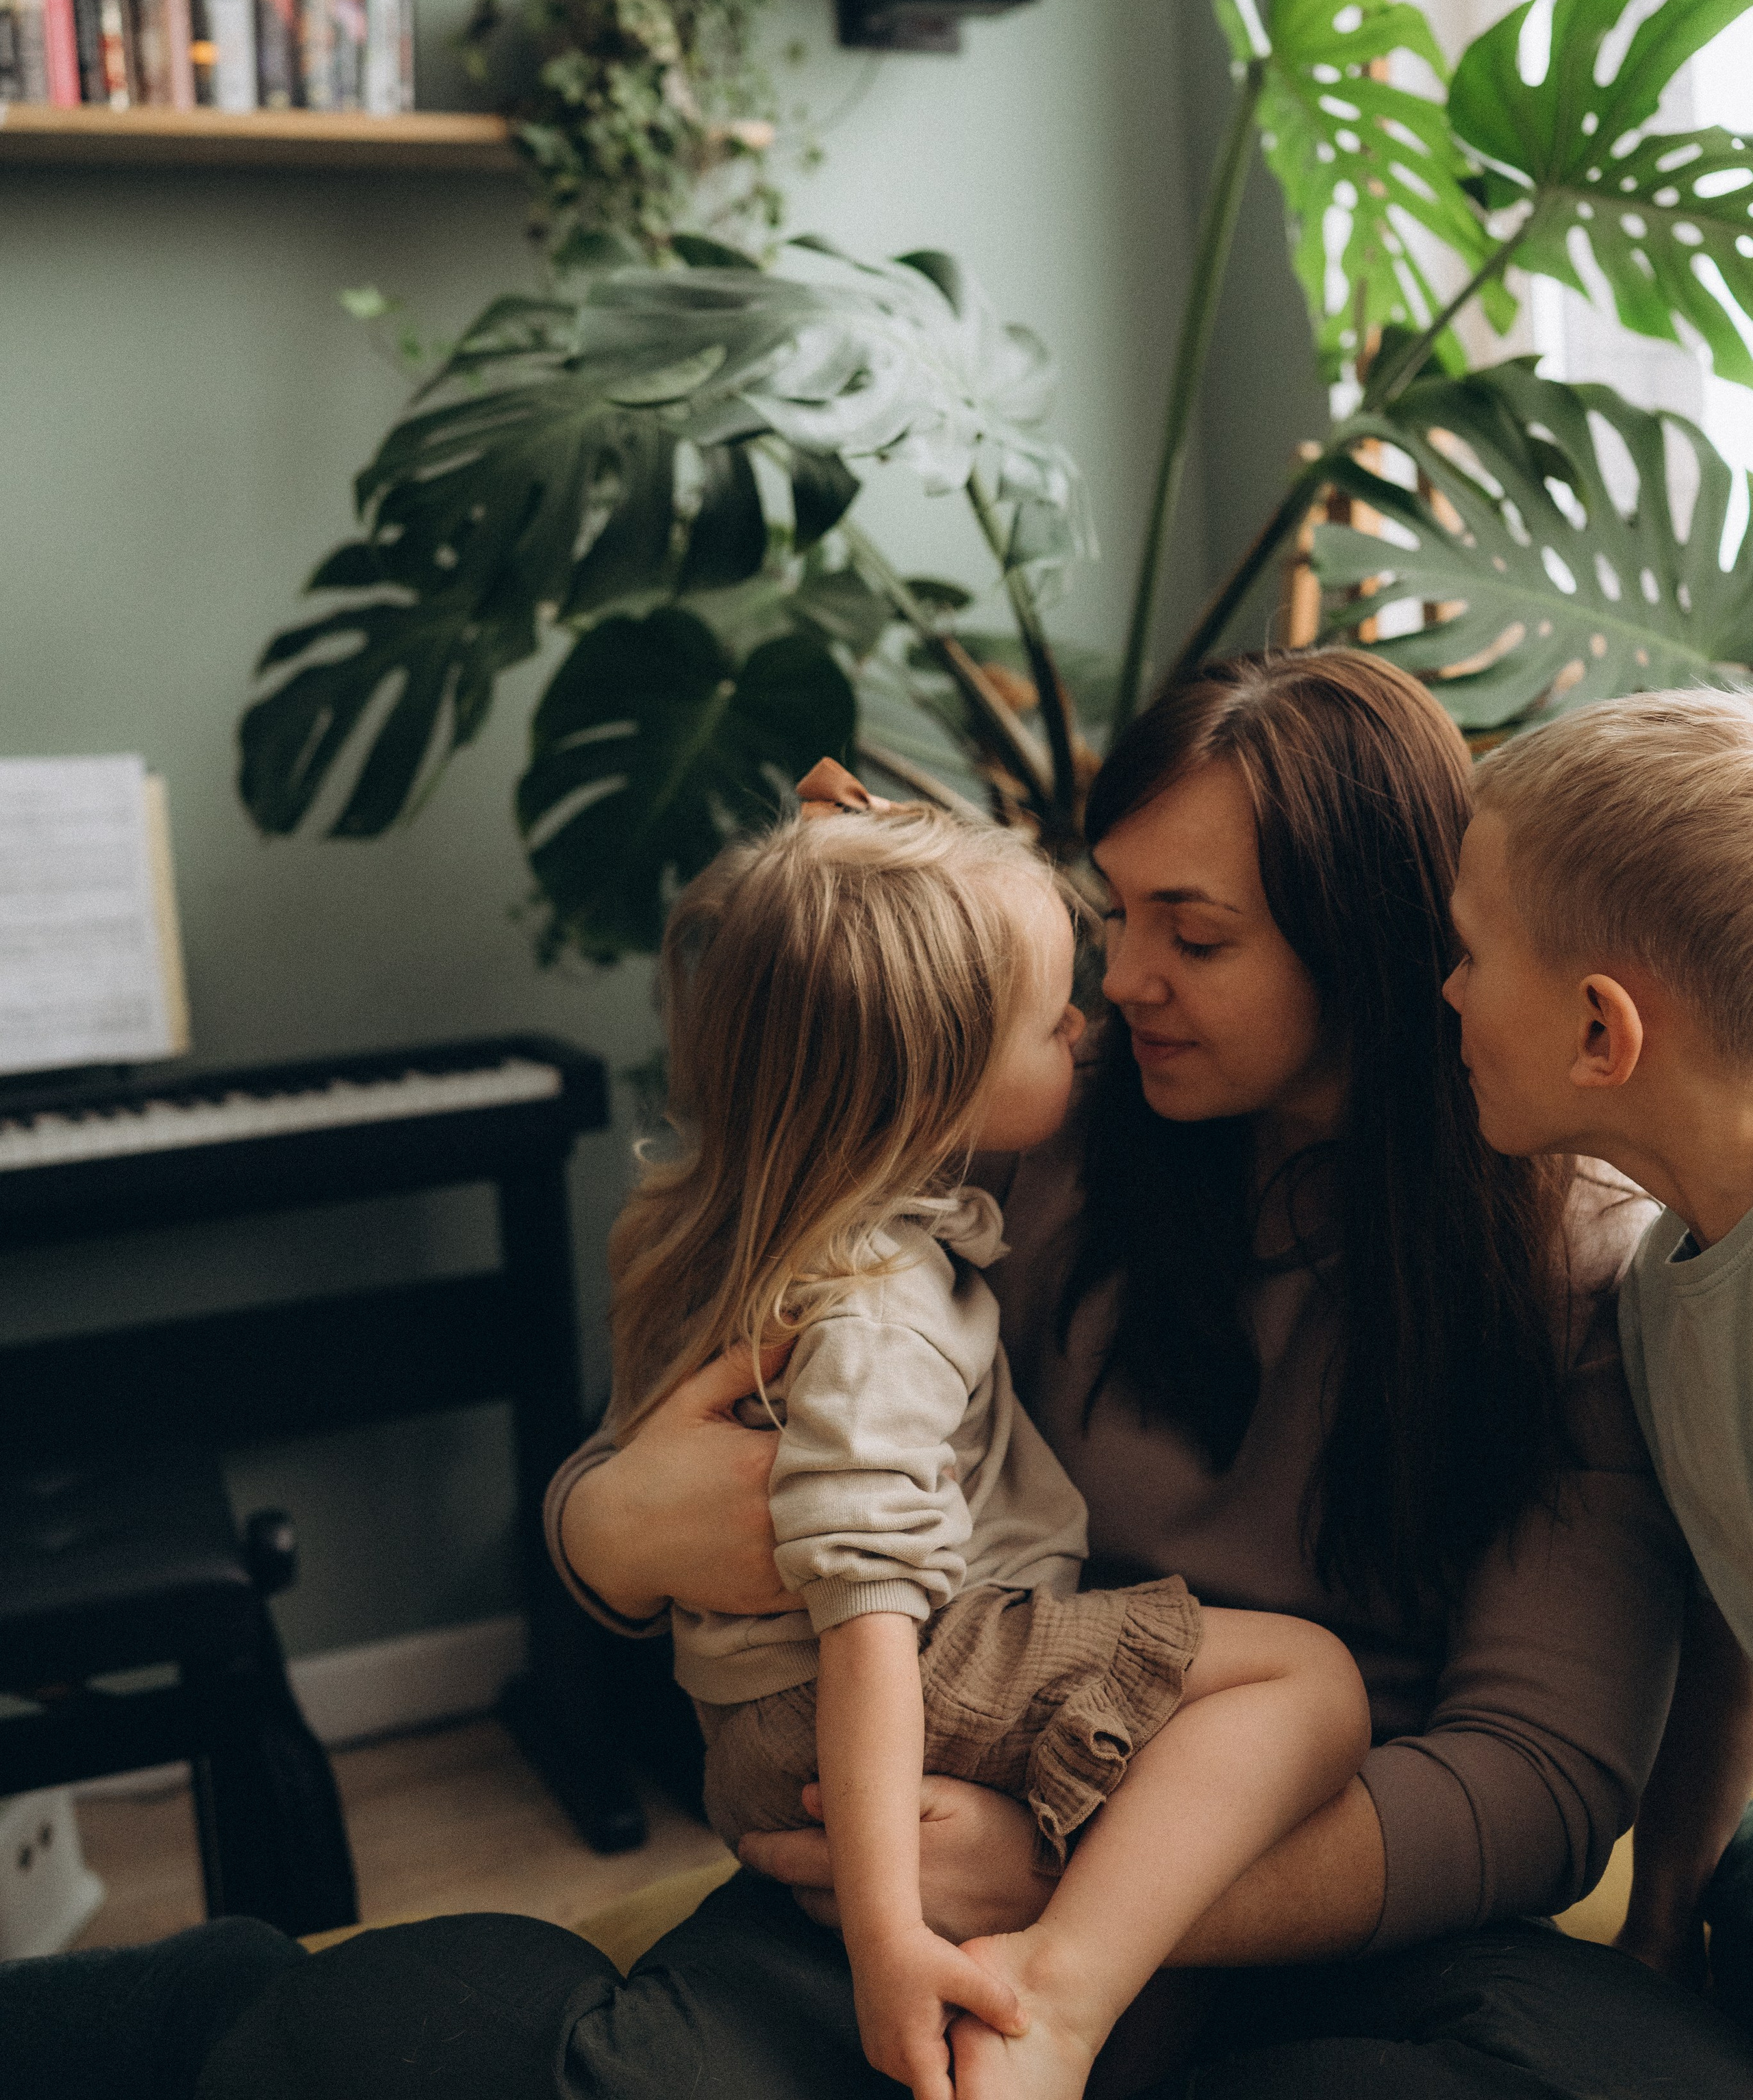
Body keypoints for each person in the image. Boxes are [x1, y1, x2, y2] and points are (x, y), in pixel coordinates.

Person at [12, 650, 1751, 2098]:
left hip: (1317, 1908)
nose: (1119, 979)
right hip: (937, 1824)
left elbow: (1533, 1776)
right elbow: (717, 1410)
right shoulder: (1024, 1153)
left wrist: (1084, 1887)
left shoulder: (1576, 1259)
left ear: (1372, 954)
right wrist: (601, 1532)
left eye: (1193, 936)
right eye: (1109, 912)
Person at [584, 792, 1370, 2098]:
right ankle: (1037, 2028)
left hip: (761, 1728)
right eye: (1051, 1016)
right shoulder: (878, 1308)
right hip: (871, 1693)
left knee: (1174, 1952)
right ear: (931, 1078)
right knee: (1308, 1686)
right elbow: (871, 1624)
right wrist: (890, 1938)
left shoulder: (745, 1230)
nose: (1094, 1016)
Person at [1443, 687, 1753, 2038]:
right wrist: (1658, 1912)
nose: (1441, 990)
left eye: (1464, 952)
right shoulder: (1654, 1282)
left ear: (1596, 1032)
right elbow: (1724, 1622)